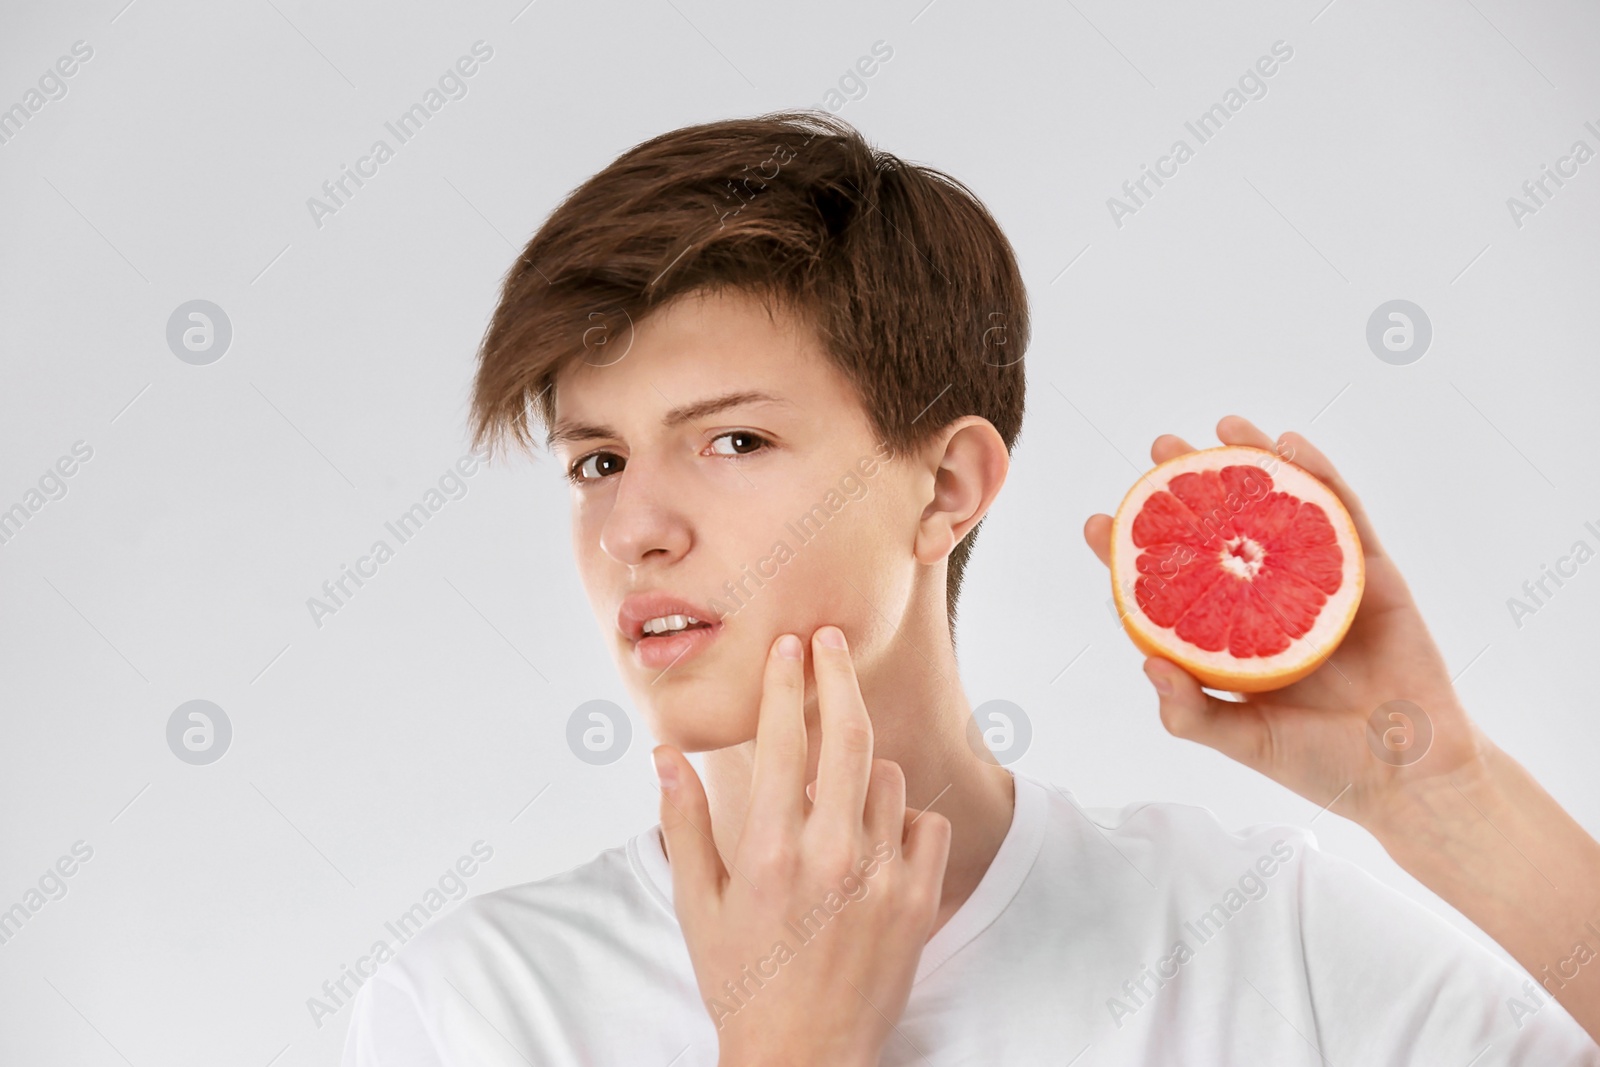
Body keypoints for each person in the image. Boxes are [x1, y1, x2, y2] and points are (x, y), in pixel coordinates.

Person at [341, 110, 1600, 1065]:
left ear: (946, 486)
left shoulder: (1254, 937)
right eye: (597, 460)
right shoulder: (474, 1005)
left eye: (732, 441)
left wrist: (1443, 796)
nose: (634, 527)